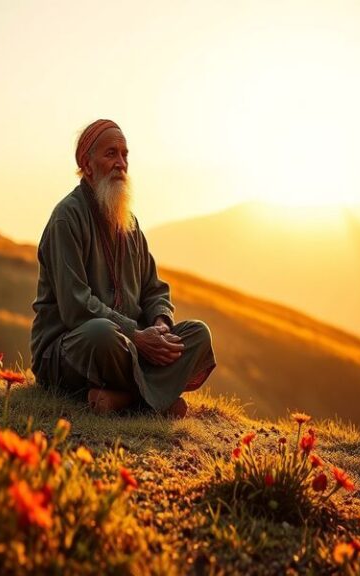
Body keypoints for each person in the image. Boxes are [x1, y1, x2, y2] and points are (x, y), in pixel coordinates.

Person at [30, 119, 216, 417]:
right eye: (111, 154)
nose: (120, 163)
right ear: (87, 165)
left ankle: (121, 398)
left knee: (197, 334)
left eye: (124, 155)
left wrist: (159, 325)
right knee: (101, 333)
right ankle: (148, 400)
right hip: (72, 349)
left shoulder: (128, 222)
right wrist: (137, 336)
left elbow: (154, 290)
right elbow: (75, 306)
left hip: (133, 348)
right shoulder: (67, 218)